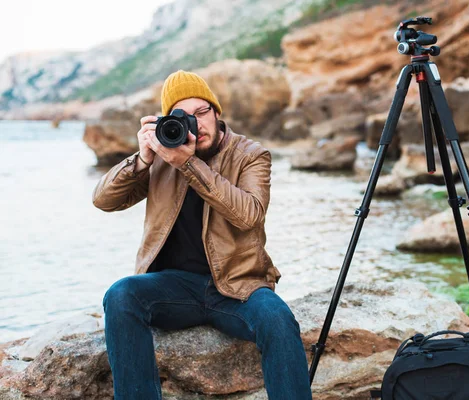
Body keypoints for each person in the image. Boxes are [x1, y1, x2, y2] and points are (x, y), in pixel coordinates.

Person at [93, 70, 312, 400]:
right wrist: (142, 160)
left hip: (238, 286)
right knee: (121, 295)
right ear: (168, 121)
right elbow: (103, 200)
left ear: (216, 112)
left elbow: (249, 214)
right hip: (174, 286)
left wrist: (189, 164)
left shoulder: (251, 155)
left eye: (201, 112)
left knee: (278, 320)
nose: (195, 124)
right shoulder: (163, 154)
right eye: (184, 116)